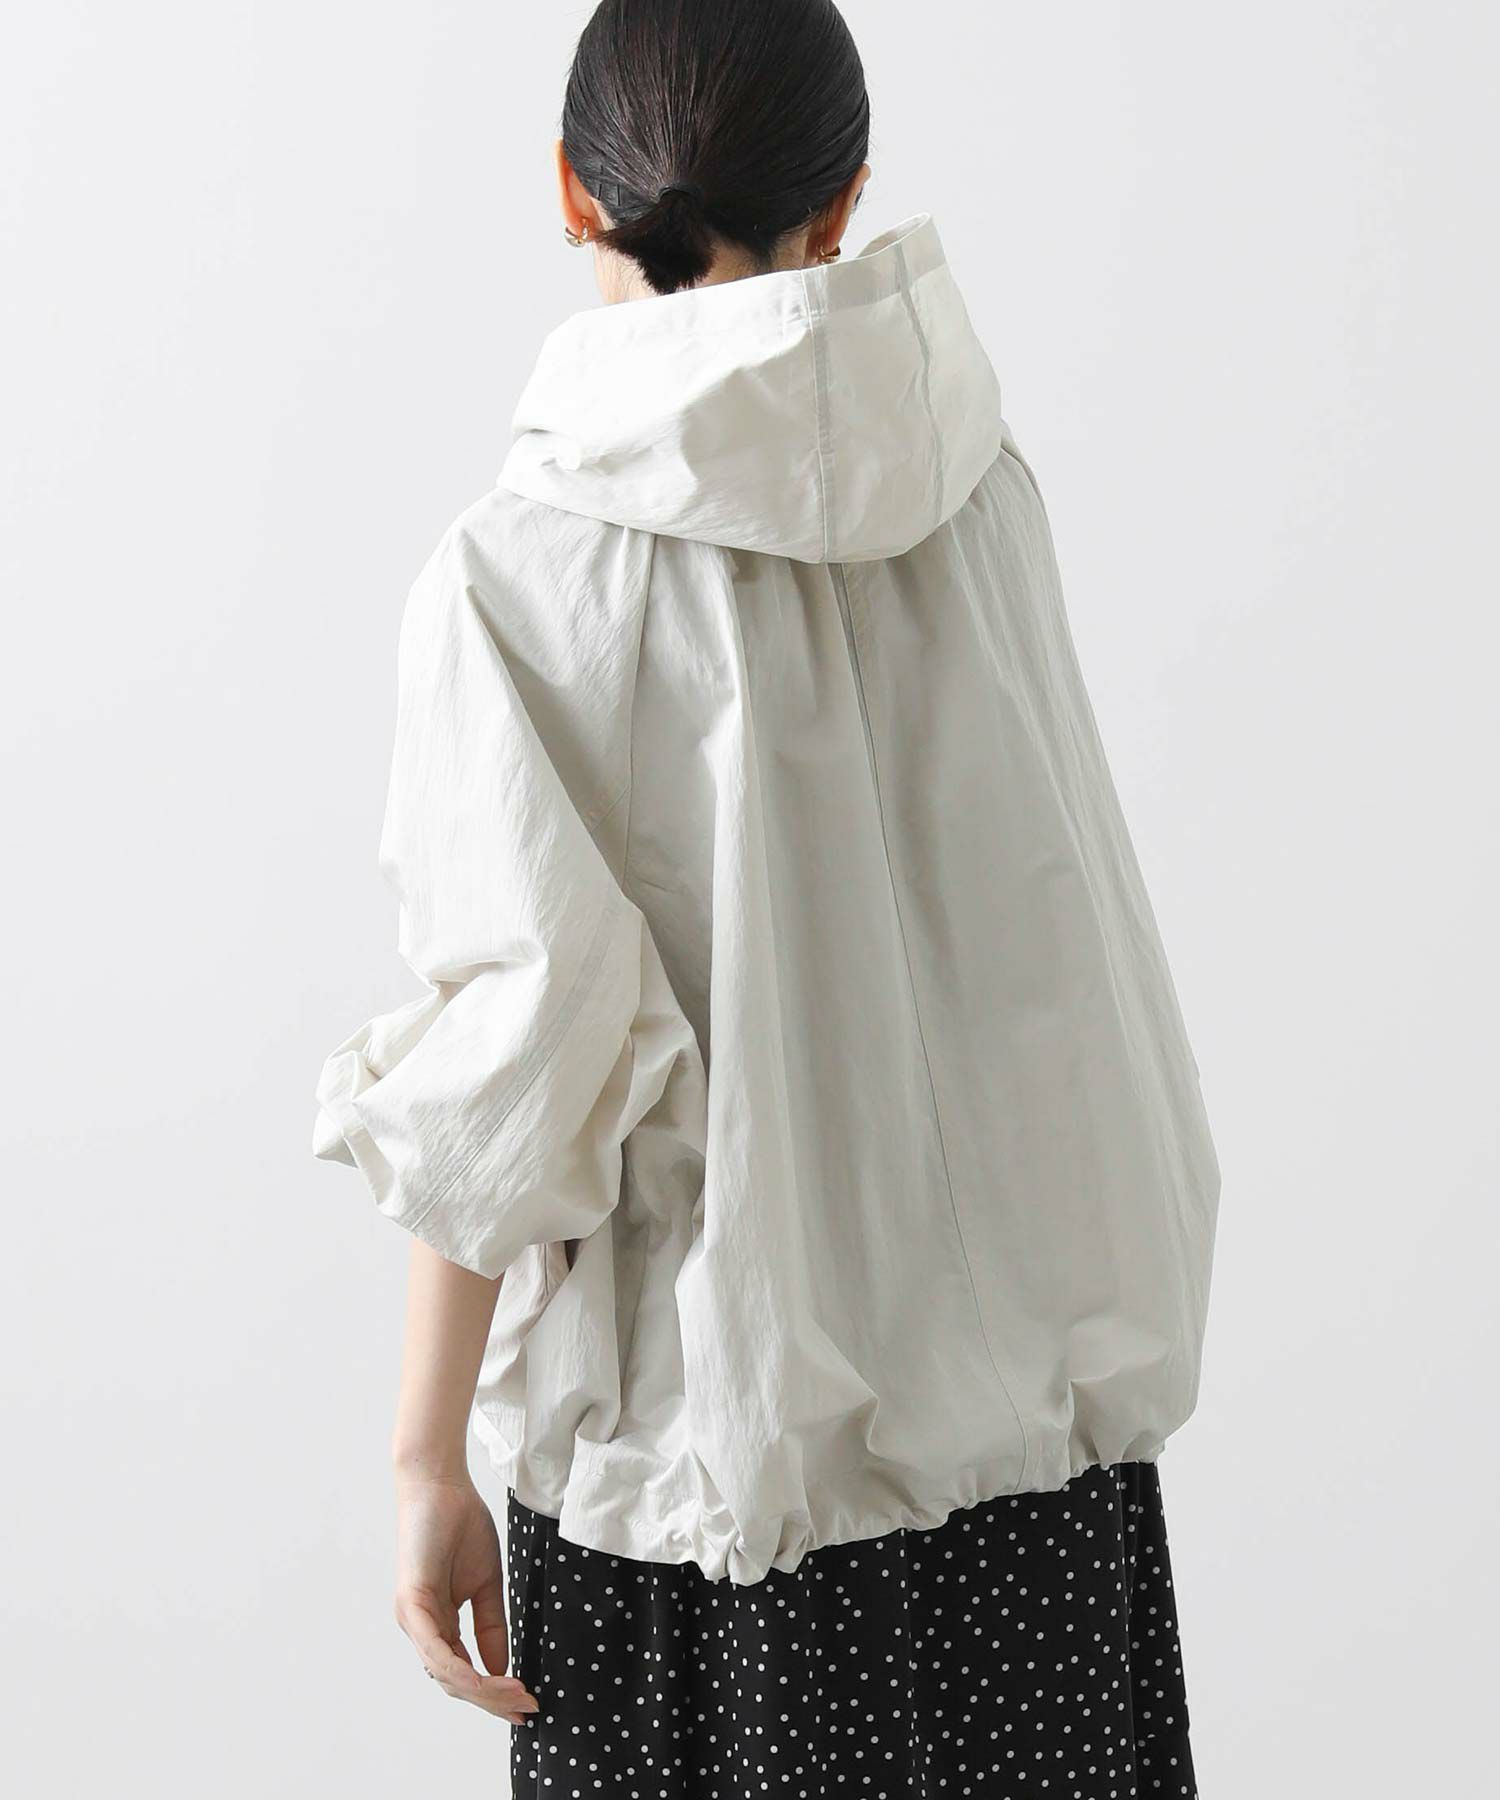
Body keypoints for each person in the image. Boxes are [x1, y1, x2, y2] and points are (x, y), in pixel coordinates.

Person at [312, 2, 1219, 1794]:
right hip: (1042, 1492)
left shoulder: (523, 575)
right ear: (848, 196)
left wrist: (423, 1462)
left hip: (714, 1502)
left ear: (572, 190)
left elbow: (520, 1065)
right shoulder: (982, 491)